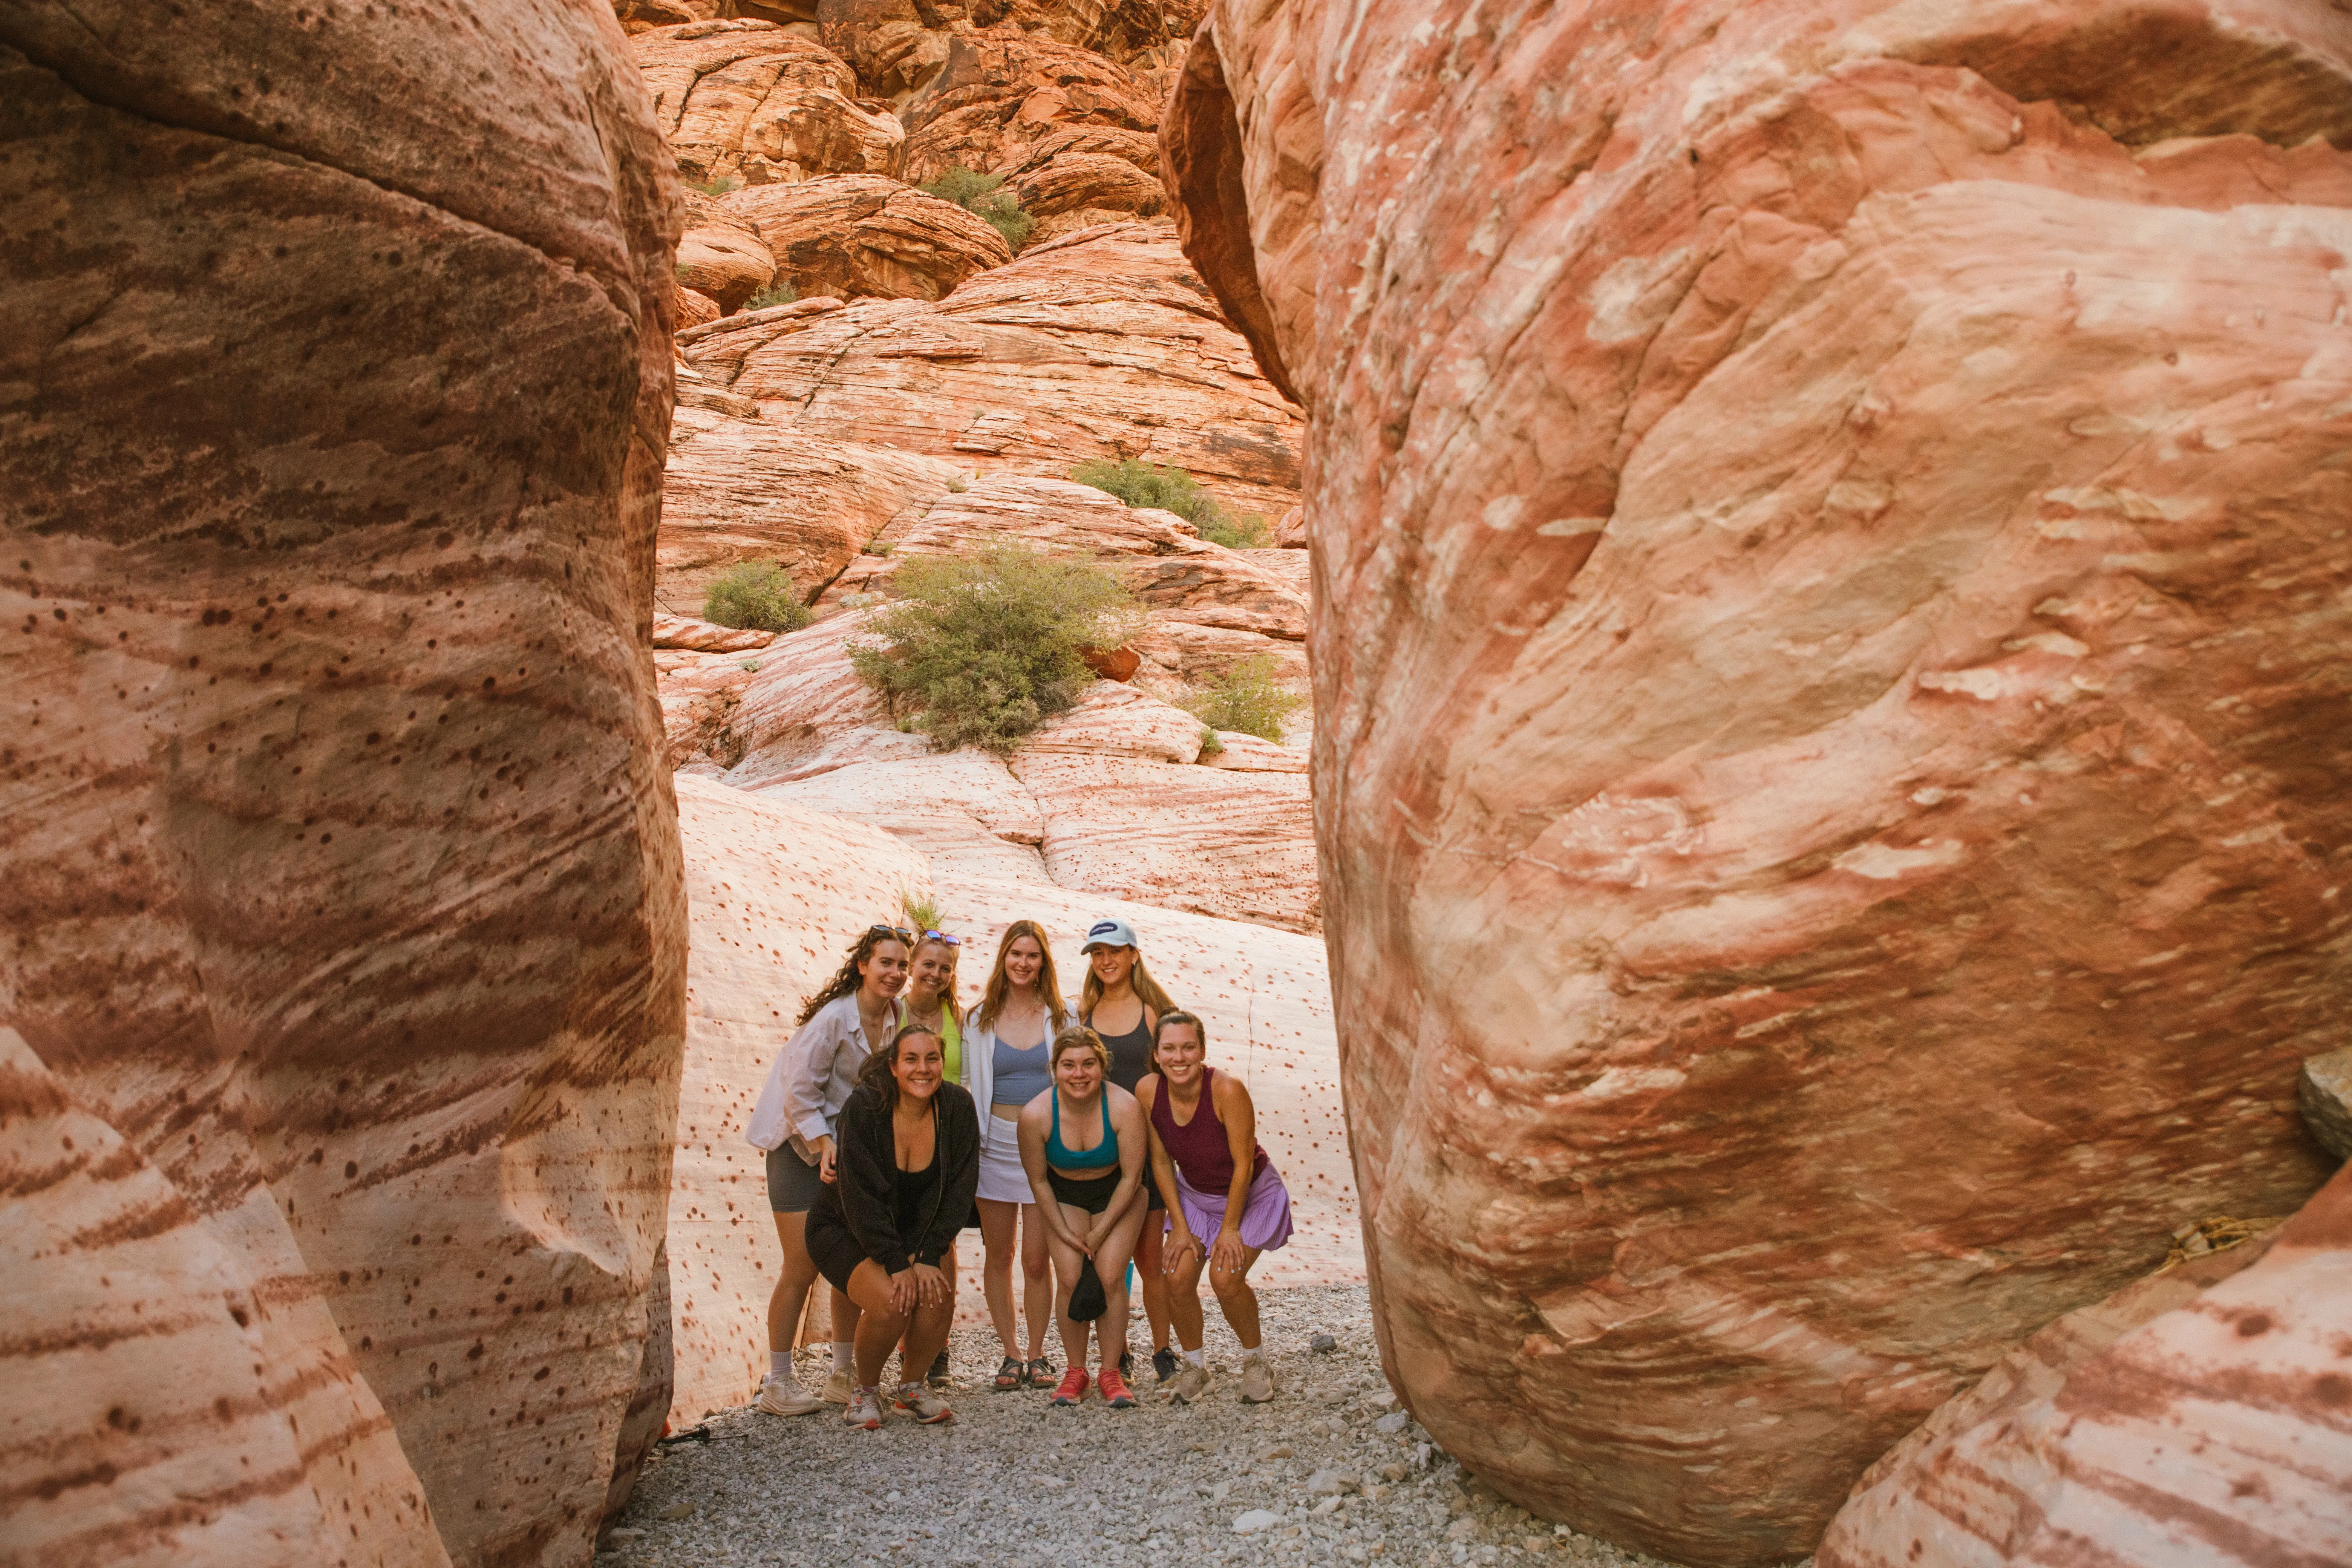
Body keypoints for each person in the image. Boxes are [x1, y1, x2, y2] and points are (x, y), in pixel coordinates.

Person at [743, 924, 910, 1415]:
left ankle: (843, 1374)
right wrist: (822, 1144)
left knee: (847, 1261)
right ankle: (778, 1382)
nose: (896, 973)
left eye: (902, 965)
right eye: (886, 963)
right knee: (802, 1266)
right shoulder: (834, 1019)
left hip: (847, 1156)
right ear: (863, 965)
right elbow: (799, 1090)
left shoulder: (896, 1018)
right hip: (798, 1150)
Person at [803, 1024, 980, 1429]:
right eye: (912, 1059)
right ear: (894, 1067)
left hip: (917, 1231)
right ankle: (864, 1390)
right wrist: (899, 1263)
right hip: (845, 1226)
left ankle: (912, 1387)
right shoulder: (865, 1107)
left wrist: (930, 1253)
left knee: (936, 1294)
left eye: (932, 1058)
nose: (924, 1069)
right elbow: (860, 1197)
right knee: (893, 1299)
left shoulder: (956, 1107)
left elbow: (960, 1188)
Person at [1138, 1010, 1293, 1405]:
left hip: (1250, 1194)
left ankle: (1257, 1362)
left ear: (1203, 1050)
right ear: (1156, 1054)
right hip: (1194, 1196)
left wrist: (1230, 1228)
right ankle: (1195, 1369)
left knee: (1225, 1279)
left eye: (1188, 1047)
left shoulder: (1227, 1090)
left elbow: (1243, 1163)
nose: (1179, 1057)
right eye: (1169, 1048)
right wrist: (1181, 1226)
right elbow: (1160, 1161)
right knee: (1176, 1276)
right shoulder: (1148, 1091)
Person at [1019, 1026, 1149, 1409]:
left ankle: (1111, 1371)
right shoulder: (1036, 1114)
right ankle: (1077, 1371)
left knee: (1110, 1274)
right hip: (1064, 1196)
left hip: (1119, 1193)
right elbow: (1039, 1182)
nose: (1079, 1074)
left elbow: (1132, 1177)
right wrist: (1061, 1230)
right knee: (1072, 1277)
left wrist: (1101, 1231)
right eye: (1069, 1065)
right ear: (1054, 1069)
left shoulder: (1124, 1106)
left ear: (1102, 1065)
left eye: (1089, 1064)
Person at [1076, 916, 1183, 1383]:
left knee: (1149, 1258)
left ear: (1134, 955)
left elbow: (1181, 1074)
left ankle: (1164, 1350)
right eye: (1098, 953)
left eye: (1114, 951)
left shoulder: (1155, 1012)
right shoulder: (1083, 1014)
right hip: (1102, 1153)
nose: (1106, 960)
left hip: (1151, 1152)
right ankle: (1115, 1355)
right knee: (1109, 1260)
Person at [964, 920, 1068, 1392]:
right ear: (1003, 958)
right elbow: (968, 1083)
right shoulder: (978, 1018)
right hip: (993, 1147)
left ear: (1043, 961)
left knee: (1035, 1258)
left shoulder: (1063, 1017)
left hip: (1044, 1147)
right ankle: (1010, 1353)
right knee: (999, 1253)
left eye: (1032, 955)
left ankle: (1040, 1353)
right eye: (1015, 954)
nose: (1023, 963)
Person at [898, 929, 965, 1389]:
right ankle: (904, 1340)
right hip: (898, 1137)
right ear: (912, 964)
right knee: (899, 1239)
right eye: (929, 965)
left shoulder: (958, 1016)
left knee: (942, 1242)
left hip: (947, 1138)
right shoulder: (891, 1011)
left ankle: (937, 1342)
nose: (936, 974)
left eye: (945, 968)